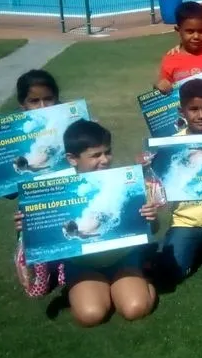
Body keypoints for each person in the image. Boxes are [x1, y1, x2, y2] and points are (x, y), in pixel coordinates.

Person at [15, 120, 162, 326]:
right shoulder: (54, 190)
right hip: (82, 265)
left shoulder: (122, 182)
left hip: (123, 259)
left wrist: (151, 218)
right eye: (95, 155)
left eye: (107, 152)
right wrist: (29, 228)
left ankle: (140, 279)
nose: (105, 160)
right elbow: (45, 237)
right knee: (90, 315)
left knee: (135, 309)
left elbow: (152, 230)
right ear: (72, 159)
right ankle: (86, 287)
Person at [0, 69, 64, 297]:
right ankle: (32, 253)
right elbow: (11, 193)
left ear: (57, 98)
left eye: (48, 99)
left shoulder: (71, 124)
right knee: (36, 289)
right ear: (22, 105)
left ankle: (63, 264)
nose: (43, 106)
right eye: (34, 101)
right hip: (35, 214)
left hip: (67, 208)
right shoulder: (17, 136)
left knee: (69, 274)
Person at [147, 79, 202, 281]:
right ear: (182, 112)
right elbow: (159, 183)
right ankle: (182, 245)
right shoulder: (171, 145)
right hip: (185, 221)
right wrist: (147, 167)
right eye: (193, 109)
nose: (201, 115)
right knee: (171, 273)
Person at [156, 1, 202, 94]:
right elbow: (161, 88)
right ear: (178, 30)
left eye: (201, 31)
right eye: (190, 31)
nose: (196, 36)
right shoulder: (170, 60)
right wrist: (159, 86)